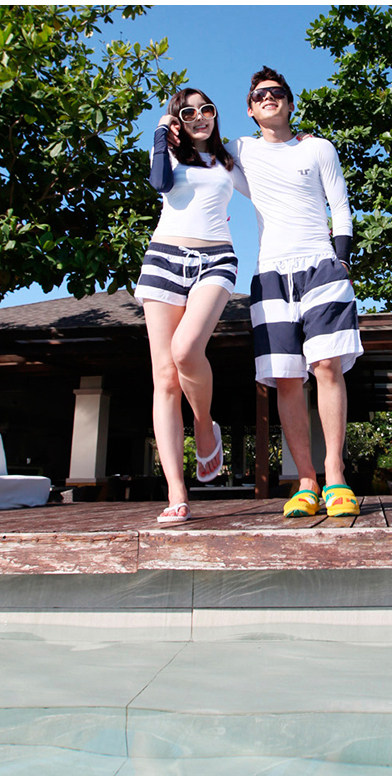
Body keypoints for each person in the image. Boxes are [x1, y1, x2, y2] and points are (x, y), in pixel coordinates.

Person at [229, 66, 364, 518]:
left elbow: (340, 205)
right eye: (259, 95)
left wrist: (342, 260)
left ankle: (335, 476)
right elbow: (194, 146)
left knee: (326, 366)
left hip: (321, 264)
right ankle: (306, 481)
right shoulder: (239, 151)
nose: (268, 98)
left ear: (289, 103)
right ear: (250, 110)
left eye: (277, 92)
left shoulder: (318, 147)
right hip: (270, 271)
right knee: (287, 378)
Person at [133, 88, 248, 524]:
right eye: (188, 112)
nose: (200, 117)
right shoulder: (166, 154)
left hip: (216, 258)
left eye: (207, 109)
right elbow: (159, 183)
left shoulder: (230, 159)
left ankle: (203, 425)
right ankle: (177, 492)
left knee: (185, 351)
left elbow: (271, 185)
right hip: (164, 258)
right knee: (164, 378)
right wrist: (161, 132)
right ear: (177, 120)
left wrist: (298, 142)